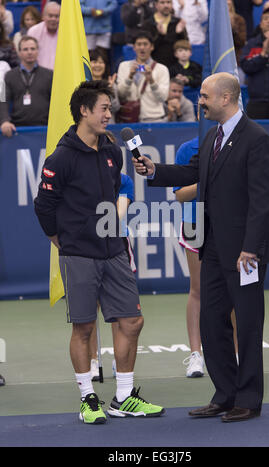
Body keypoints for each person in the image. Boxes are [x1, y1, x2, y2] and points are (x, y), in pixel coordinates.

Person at [133, 72, 269, 422]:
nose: (199, 100)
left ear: (226, 98)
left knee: (247, 324)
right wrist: (155, 171)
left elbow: (264, 201)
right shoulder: (212, 138)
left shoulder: (257, 139)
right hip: (213, 247)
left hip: (245, 252)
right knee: (211, 321)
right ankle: (225, 393)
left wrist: (250, 248)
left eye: (204, 96)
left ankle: (248, 398)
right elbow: (192, 173)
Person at [34, 80, 164, 424]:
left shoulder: (111, 150)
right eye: (104, 108)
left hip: (115, 249)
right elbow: (44, 205)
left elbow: (115, 193)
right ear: (84, 111)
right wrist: (60, 241)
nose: (110, 114)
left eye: (110, 108)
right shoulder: (60, 158)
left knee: (132, 321)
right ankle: (87, 398)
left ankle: (123, 397)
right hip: (79, 254)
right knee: (84, 328)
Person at [173, 136, 238, 378]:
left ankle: (235, 352)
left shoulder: (237, 142)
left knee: (231, 289)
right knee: (198, 289)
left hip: (227, 223)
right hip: (196, 223)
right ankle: (196, 356)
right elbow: (179, 195)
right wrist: (207, 183)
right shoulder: (186, 148)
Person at [90, 171, 135, 381]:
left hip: (117, 243)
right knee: (90, 305)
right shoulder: (81, 175)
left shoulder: (123, 180)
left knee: (121, 305)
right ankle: (92, 359)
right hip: (86, 246)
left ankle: (120, 358)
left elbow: (116, 216)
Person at [0, 36, 52, 137]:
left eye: (33, 49)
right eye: (25, 49)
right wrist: (4, 121)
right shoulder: (9, 75)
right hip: (18, 129)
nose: (29, 52)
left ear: (38, 51)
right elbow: (2, 100)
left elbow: (57, 102)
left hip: (45, 128)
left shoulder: (50, 75)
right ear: (19, 53)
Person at [117, 31, 169, 123]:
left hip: (154, 120)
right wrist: (129, 77)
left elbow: (163, 98)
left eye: (145, 44)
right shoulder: (124, 66)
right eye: (139, 44)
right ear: (134, 47)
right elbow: (121, 95)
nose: (142, 47)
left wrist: (152, 81)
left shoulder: (162, 69)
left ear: (152, 47)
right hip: (130, 120)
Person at [141, 0, 188, 69]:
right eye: (162, 2)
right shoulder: (147, 24)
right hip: (153, 66)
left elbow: (185, 46)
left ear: (172, 5)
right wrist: (160, 35)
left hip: (174, 67)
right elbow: (146, 49)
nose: (166, 5)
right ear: (156, 5)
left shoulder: (178, 22)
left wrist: (179, 33)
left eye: (168, 2)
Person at [89, 47, 120, 122]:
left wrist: (110, 90)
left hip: (108, 127)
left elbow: (116, 108)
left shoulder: (110, 83)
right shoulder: (84, 85)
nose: (98, 65)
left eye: (101, 62)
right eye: (95, 62)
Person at [27, 1, 60, 70]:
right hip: (38, 75)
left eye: (57, 16)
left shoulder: (67, 32)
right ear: (43, 16)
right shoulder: (33, 32)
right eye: (50, 16)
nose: (53, 19)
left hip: (62, 74)